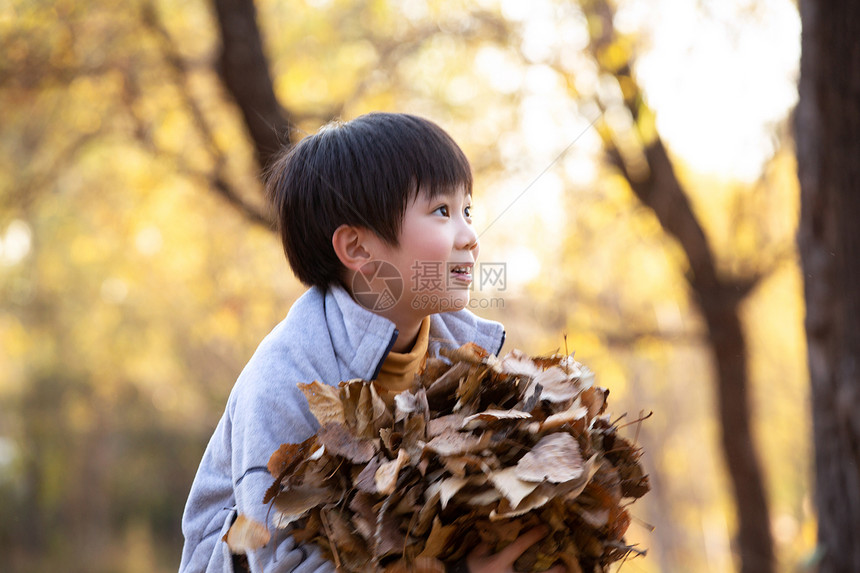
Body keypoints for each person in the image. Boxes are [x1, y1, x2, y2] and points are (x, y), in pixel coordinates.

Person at [179, 113, 566, 573]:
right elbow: (274, 560)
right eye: (442, 211)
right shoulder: (284, 378)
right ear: (359, 250)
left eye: (467, 211)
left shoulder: (463, 355)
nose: (469, 236)